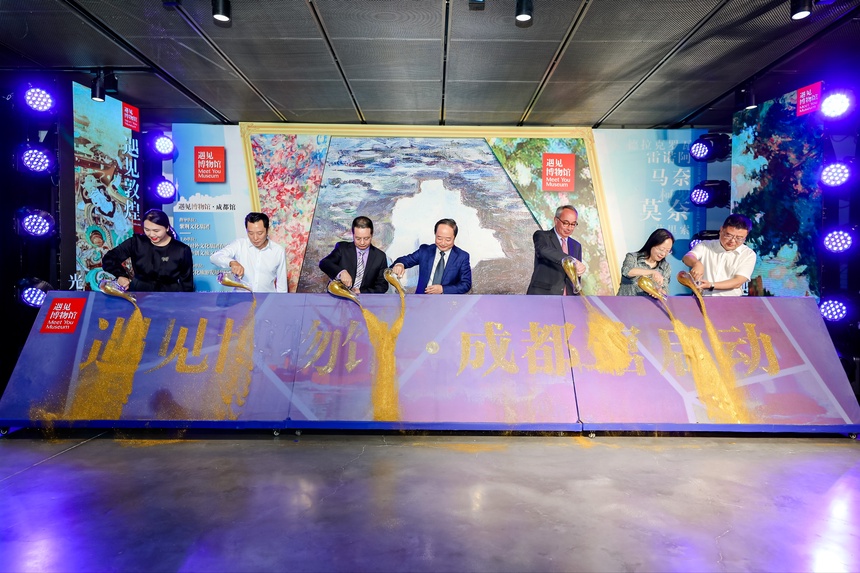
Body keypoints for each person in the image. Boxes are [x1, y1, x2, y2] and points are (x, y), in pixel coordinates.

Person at [102, 208, 194, 292]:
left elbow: (187, 284)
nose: (151, 234)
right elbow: (109, 258)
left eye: (156, 231)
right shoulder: (136, 242)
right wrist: (120, 275)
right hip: (139, 293)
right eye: (147, 230)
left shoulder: (181, 250)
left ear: (167, 228)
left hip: (169, 296)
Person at [210, 212, 287, 292]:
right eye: (250, 233)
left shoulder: (278, 251)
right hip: (241, 298)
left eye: (260, 233)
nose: (255, 238)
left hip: (267, 298)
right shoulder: (239, 244)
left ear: (267, 230)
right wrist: (232, 262)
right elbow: (214, 257)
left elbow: (282, 287)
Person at [682, 213, 756, 296]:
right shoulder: (706, 245)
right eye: (729, 235)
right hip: (702, 298)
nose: (732, 241)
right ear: (721, 230)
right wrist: (696, 263)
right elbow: (687, 257)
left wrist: (711, 285)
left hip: (730, 300)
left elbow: (738, 281)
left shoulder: (748, 254)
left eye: (739, 238)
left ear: (745, 237)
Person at [391, 218, 472, 294]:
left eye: (448, 240)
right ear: (435, 235)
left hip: (448, 301)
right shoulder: (425, 251)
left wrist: (443, 289)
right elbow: (405, 260)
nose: (443, 243)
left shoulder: (462, 257)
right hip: (422, 300)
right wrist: (400, 265)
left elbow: (466, 284)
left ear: (454, 238)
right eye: (439, 238)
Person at [319, 216, 389, 294]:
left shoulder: (380, 256)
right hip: (339, 297)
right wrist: (341, 272)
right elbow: (324, 263)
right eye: (358, 238)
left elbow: (382, 286)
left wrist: (361, 291)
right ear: (353, 234)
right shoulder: (342, 248)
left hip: (365, 299)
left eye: (366, 238)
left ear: (372, 235)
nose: (362, 242)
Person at [526, 205, 587, 295]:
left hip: (568, 298)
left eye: (573, 224)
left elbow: (575, 278)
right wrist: (570, 260)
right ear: (556, 220)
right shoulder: (542, 236)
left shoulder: (576, 245)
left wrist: (579, 271)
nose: (569, 228)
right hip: (543, 295)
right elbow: (542, 250)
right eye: (565, 223)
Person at [617, 228, 675, 297]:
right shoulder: (633, 257)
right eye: (661, 249)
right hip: (625, 301)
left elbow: (665, 288)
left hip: (649, 303)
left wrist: (660, 292)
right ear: (651, 244)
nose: (663, 254)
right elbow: (627, 271)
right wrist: (652, 272)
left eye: (667, 251)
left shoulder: (665, 266)